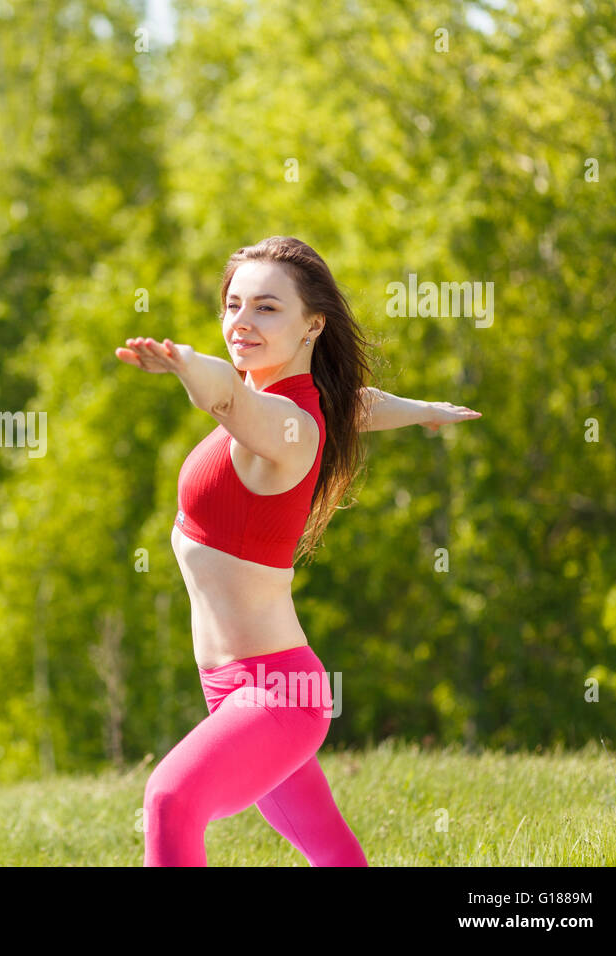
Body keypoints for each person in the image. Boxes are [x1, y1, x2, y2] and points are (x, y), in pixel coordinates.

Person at [115, 236, 481, 866]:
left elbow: (229, 396)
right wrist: (421, 410)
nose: (242, 322)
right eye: (233, 305)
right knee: (333, 852)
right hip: (232, 688)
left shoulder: (285, 423)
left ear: (313, 324)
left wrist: (186, 363)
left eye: (266, 308)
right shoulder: (301, 405)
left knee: (170, 799)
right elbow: (353, 404)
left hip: (277, 693)